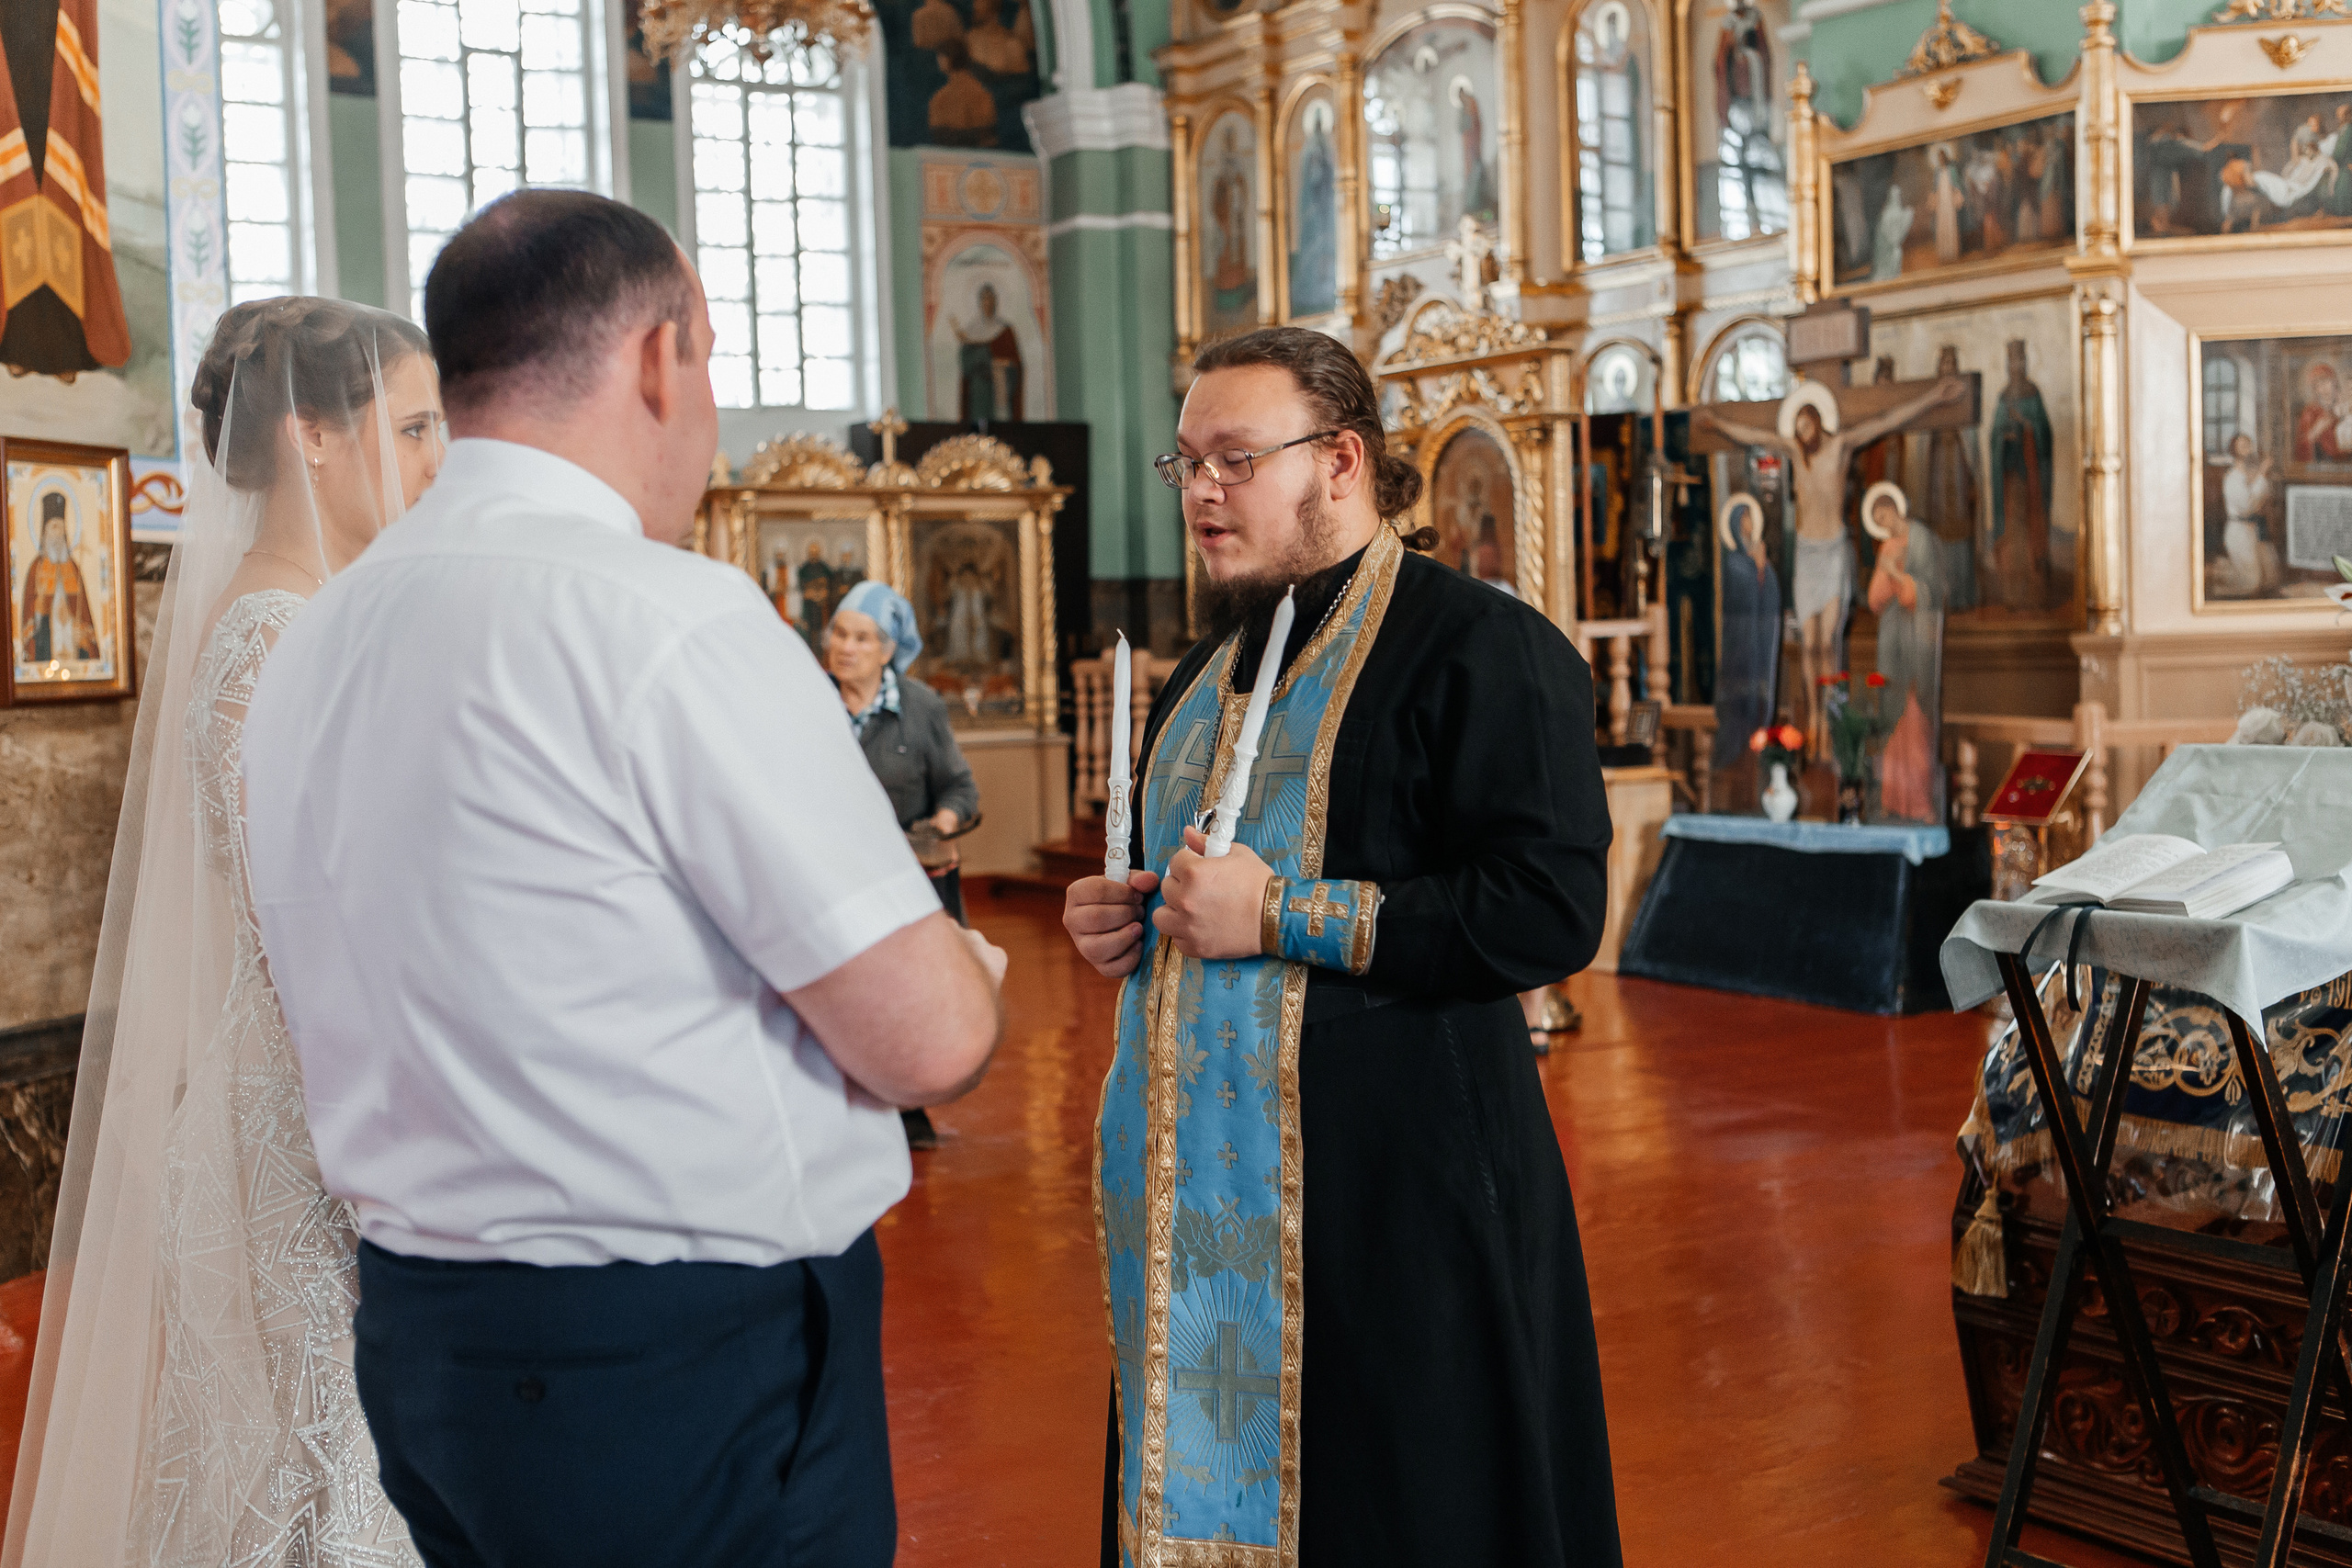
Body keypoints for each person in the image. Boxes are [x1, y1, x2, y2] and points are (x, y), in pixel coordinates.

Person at [237, 191, 1007, 1566]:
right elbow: (931, 1039)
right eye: (706, 357)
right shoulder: (667, 613)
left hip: (426, 1338)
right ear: (661, 358)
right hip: (678, 1356)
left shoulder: (316, 640)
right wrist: (967, 974)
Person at [1064, 326, 1621, 1567]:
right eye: (1188, 464)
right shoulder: (1203, 674)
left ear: (1341, 460)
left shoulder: (1482, 647)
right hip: (1205, 1206)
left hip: (1404, 1200)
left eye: (1235, 459)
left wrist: (1280, 913)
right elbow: (1195, 904)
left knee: (1405, 1505)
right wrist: (1130, 918)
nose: (1203, 491)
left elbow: (1546, 908)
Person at [4, 297, 442, 1568]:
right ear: (310, 433)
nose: (434, 461)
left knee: (328, 1462)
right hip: (316, 1122)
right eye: (412, 427)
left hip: (300, 1098)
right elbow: (309, 931)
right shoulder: (276, 636)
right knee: (330, 1472)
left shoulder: (299, 616)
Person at [826, 579, 981, 1153]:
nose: (846, 647)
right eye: (839, 633)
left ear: (889, 648)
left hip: (904, 880)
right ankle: (841, 1104)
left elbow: (959, 788)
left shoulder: (921, 707)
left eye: (862, 638)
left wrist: (940, 825)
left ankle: (908, 1105)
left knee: (902, 995)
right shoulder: (809, 699)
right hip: (829, 878)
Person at [1862, 483, 1944, 824]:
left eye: (1886, 514)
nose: (1885, 523)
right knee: (1893, 720)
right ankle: (1894, 800)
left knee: (1917, 719)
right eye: (1878, 519)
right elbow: (1875, 600)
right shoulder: (1887, 547)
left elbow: (1931, 588)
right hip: (1893, 637)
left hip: (1919, 636)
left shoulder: (1921, 538)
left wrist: (1898, 574)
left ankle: (1920, 801)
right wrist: (1887, 571)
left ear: (1897, 509)